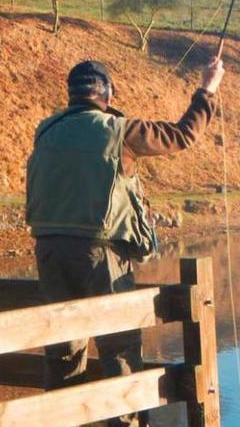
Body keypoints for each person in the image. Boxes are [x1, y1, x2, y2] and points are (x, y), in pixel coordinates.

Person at [25, 58, 225, 427]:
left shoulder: (45, 129)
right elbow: (182, 136)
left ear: (72, 94)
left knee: (64, 349)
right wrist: (207, 89)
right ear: (107, 94)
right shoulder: (119, 130)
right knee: (119, 348)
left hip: (49, 251)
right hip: (100, 253)